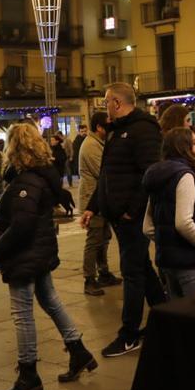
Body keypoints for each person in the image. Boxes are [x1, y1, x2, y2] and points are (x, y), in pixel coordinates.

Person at [0, 124, 97, 390]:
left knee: (22, 313)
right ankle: (78, 351)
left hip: (25, 255)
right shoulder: (41, 176)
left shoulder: (25, 182)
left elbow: (22, 224)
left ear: (14, 148)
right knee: (51, 301)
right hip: (39, 252)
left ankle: (28, 374)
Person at [83, 82, 166, 358]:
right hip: (118, 215)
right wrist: (93, 207)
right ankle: (166, 316)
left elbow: (149, 174)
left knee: (132, 273)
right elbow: (107, 174)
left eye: (107, 101)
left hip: (132, 217)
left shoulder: (143, 129)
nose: (104, 106)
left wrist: (133, 209)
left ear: (117, 103)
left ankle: (129, 335)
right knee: (142, 268)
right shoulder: (116, 131)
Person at [142, 127, 195, 299]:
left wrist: (168, 242)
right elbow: (183, 223)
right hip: (191, 263)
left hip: (168, 263)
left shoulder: (158, 175)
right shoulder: (184, 176)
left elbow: (147, 227)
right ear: (183, 148)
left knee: (178, 312)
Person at [78, 112, 121, 296]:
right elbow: (103, 172)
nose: (110, 128)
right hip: (92, 200)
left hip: (100, 199)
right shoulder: (90, 145)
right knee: (94, 240)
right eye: (108, 125)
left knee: (104, 237)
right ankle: (89, 279)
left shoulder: (99, 143)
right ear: (99, 127)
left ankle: (103, 273)